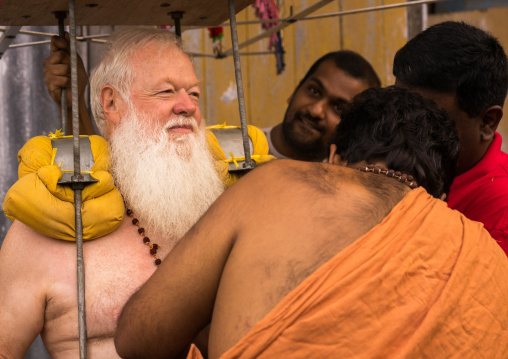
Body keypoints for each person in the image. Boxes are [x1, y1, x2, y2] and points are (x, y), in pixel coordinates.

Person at [115, 86, 508, 359]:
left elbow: (138, 338)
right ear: (440, 194)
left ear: (334, 158)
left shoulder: (274, 184)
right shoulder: (487, 260)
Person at [0, 27, 226, 358]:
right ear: (111, 103)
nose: (187, 106)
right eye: (166, 91)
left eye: (194, 94)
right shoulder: (52, 221)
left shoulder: (220, 204)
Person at [393, 21, 508, 255]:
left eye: (429, 121)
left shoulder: (500, 219)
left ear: (487, 122)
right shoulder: (388, 161)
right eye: (398, 110)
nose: (404, 132)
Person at [262, 50, 381, 161]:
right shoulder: (244, 149)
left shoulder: (347, 180)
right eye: (314, 91)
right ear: (295, 91)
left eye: (339, 108)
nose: (316, 111)